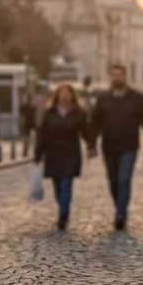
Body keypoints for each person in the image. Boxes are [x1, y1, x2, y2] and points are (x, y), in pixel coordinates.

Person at [89, 64, 143, 230]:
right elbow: (95, 123)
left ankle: (120, 214)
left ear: (125, 77)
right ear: (110, 77)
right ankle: (120, 206)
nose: (117, 78)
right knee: (113, 181)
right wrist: (91, 144)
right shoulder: (103, 98)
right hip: (109, 146)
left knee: (124, 179)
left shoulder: (136, 98)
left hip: (129, 146)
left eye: (119, 75)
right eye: (114, 75)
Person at [36, 84, 92, 230]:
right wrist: (38, 153)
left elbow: (86, 131)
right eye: (62, 92)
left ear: (72, 95)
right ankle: (63, 208)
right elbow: (43, 134)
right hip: (53, 153)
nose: (65, 95)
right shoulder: (49, 113)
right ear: (57, 95)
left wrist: (91, 145)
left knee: (66, 183)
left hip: (70, 153)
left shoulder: (79, 113)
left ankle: (63, 216)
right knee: (57, 187)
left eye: (68, 93)